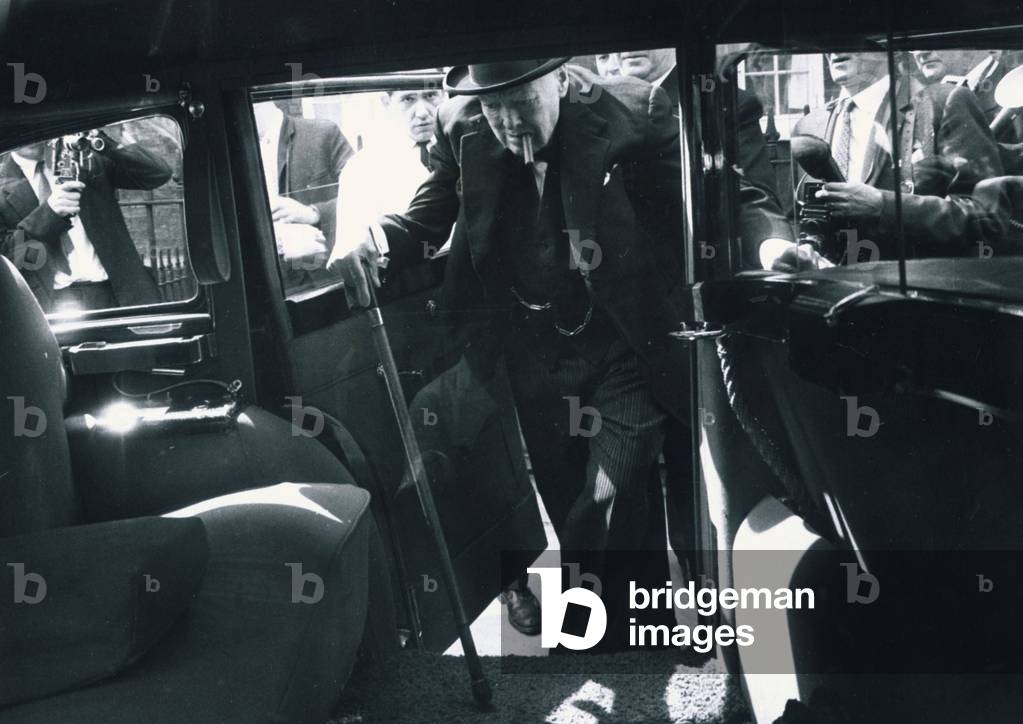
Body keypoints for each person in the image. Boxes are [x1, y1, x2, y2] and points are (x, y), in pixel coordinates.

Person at [330, 58, 686, 646]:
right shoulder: (460, 125)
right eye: (493, 106)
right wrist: (369, 237)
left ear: (563, 81)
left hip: (624, 344)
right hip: (531, 352)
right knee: (573, 491)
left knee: (609, 492)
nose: (507, 122)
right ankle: (635, 639)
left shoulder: (636, 110)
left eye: (521, 102)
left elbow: (694, 218)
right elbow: (428, 215)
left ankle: (588, 628)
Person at [790, 51, 1003, 263]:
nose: (834, 47)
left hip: (916, 288)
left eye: (852, 31)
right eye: (825, 38)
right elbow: (810, 215)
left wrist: (885, 206)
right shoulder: (810, 126)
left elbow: (987, 219)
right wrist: (807, 247)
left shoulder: (944, 102)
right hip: (836, 290)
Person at [0, 130, 171, 313]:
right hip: (49, 306)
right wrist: (48, 214)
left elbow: (157, 173)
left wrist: (101, 140)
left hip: (116, 295)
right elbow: (6, 258)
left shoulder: (85, 158)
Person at [330, 88, 444, 264]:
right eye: (408, 99)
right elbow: (352, 249)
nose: (422, 112)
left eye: (430, 96)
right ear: (386, 102)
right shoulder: (361, 168)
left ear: (443, 94)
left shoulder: (464, 147)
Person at [253, 101, 355, 270]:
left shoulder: (323, 133)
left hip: (327, 276)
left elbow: (366, 198)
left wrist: (314, 213)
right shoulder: (231, 153)